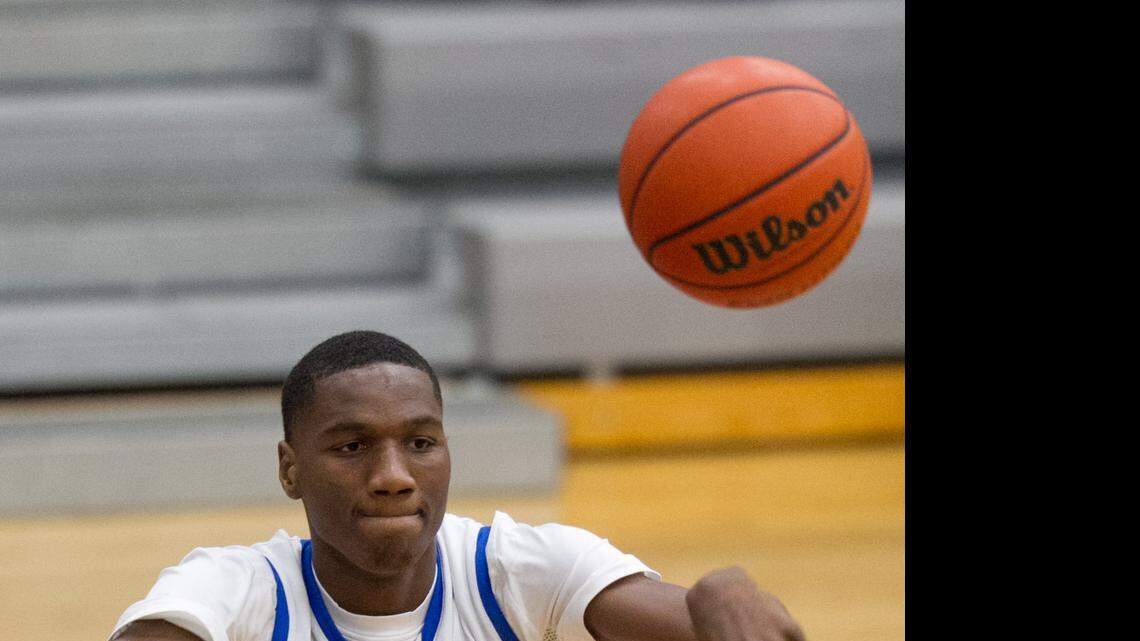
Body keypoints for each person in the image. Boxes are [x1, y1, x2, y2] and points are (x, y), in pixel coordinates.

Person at [110, 330, 805, 641]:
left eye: (420, 443)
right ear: (291, 468)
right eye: (352, 447)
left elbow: (697, 621)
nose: (392, 478)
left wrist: (720, 596)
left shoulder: (511, 571)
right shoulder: (241, 589)